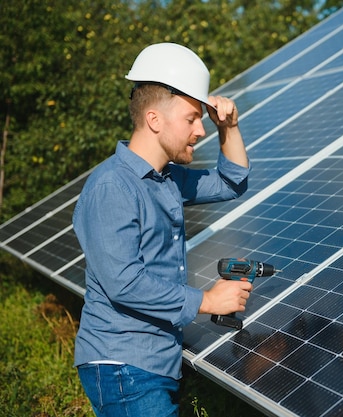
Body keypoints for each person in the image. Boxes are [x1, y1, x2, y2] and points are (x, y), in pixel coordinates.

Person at [72, 42, 252, 416]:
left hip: (150, 363)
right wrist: (208, 301)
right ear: (154, 120)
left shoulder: (165, 180)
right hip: (123, 364)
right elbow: (124, 282)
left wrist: (229, 127)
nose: (200, 130)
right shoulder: (112, 187)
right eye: (191, 119)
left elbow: (231, 182)